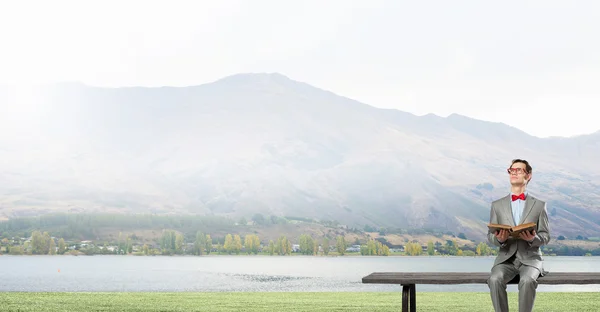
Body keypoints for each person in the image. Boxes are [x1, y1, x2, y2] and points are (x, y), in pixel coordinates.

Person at [487, 159, 551, 312]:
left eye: (519, 170)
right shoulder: (497, 205)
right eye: (512, 170)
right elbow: (489, 237)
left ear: (528, 176)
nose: (514, 173)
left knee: (528, 280)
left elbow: (545, 235)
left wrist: (533, 239)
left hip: (531, 259)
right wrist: (499, 239)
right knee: (494, 279)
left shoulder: (539, 205)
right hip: (505, 259)